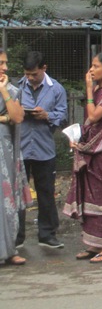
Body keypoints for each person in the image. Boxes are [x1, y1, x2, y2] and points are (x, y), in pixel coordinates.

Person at [63, 52, 102, 264]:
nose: (91, 70)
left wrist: (89, 90)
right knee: (90, 196)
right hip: (90, 150)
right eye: (91, 65)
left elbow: (93, 116)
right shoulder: (100, 90)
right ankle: (94, 244)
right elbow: (90, 125)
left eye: (96, 66)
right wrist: (77, 139)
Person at [16, 51, 68, 250]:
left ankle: (47, 235)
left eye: (34, 74)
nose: (30, 78)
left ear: (44, 69)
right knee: (18, 193)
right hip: (20, 148)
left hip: (44, 149)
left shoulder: (56, 89)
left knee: (46, 192)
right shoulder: (16, 87)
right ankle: (16, 237)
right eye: (27, 74)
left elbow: (63, 116)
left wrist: (47, 115)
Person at [0, 48, 29, 266]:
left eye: (5, 63)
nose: (5, 67)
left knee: (7, 201)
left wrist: (3, 91)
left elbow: (18, 116)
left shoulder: (11, 89)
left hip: (5, 151)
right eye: (1, 63)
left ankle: (9, 249)